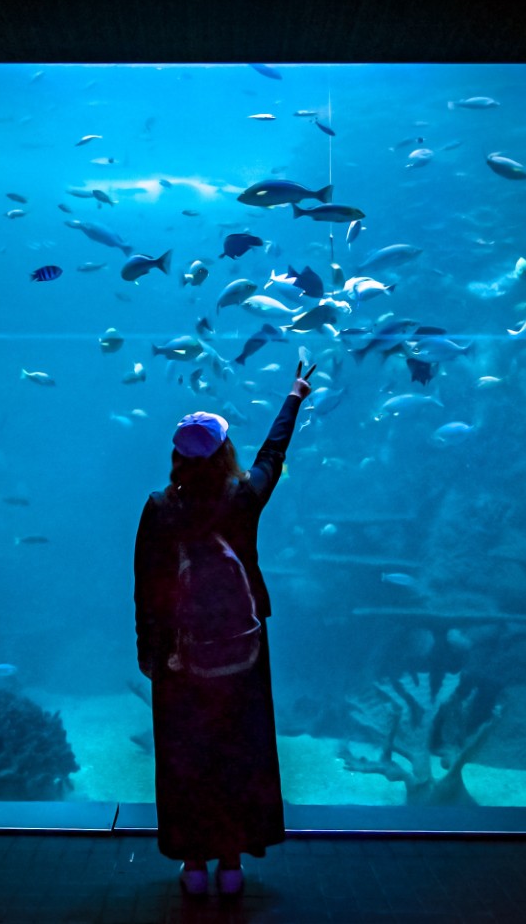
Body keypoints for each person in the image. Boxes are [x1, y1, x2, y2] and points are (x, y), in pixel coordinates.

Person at [134, 361, 314, 897]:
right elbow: (271, 456)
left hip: (179, 658)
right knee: (238, 750)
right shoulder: (242, 499)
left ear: (177, 456)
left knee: (187, 756)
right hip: (243, 651)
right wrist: (294, 396)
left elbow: (147, 588)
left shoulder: (160, 507)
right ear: (223, 451)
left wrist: (150, 653)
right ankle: (232, 864)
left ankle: (193, 865)